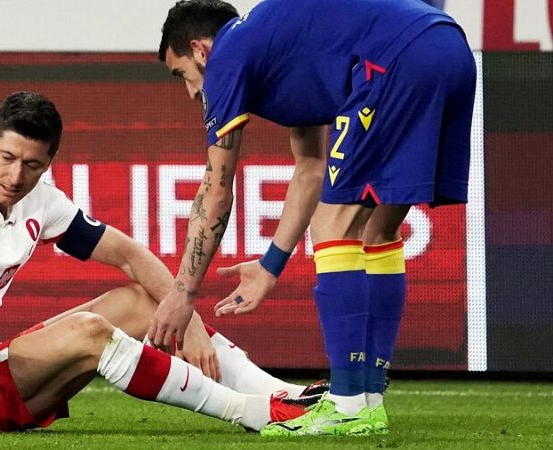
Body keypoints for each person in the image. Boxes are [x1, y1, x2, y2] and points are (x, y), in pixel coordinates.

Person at [0, 91, 325, 433]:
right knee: (92, 332)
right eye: (6, 156)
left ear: (49, 162)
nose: (15, 176)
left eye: (32, 165)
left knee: (140, 303)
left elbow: (131, 256)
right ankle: (252, 413)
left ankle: (283, 394)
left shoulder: (39, 199)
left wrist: (191, 323)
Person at [148, 0, 475, 437]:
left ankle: (346, 405)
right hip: (449, 48)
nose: (191, 92)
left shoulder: (226, 55)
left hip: (393, 59)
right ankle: (368, 399)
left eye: (182, 75)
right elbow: (311, 168)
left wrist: (182, 294)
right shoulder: (279, 49)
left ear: (199, 50)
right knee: (377, 230)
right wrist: (270, 266)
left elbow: (216, 189)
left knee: (333, 222)